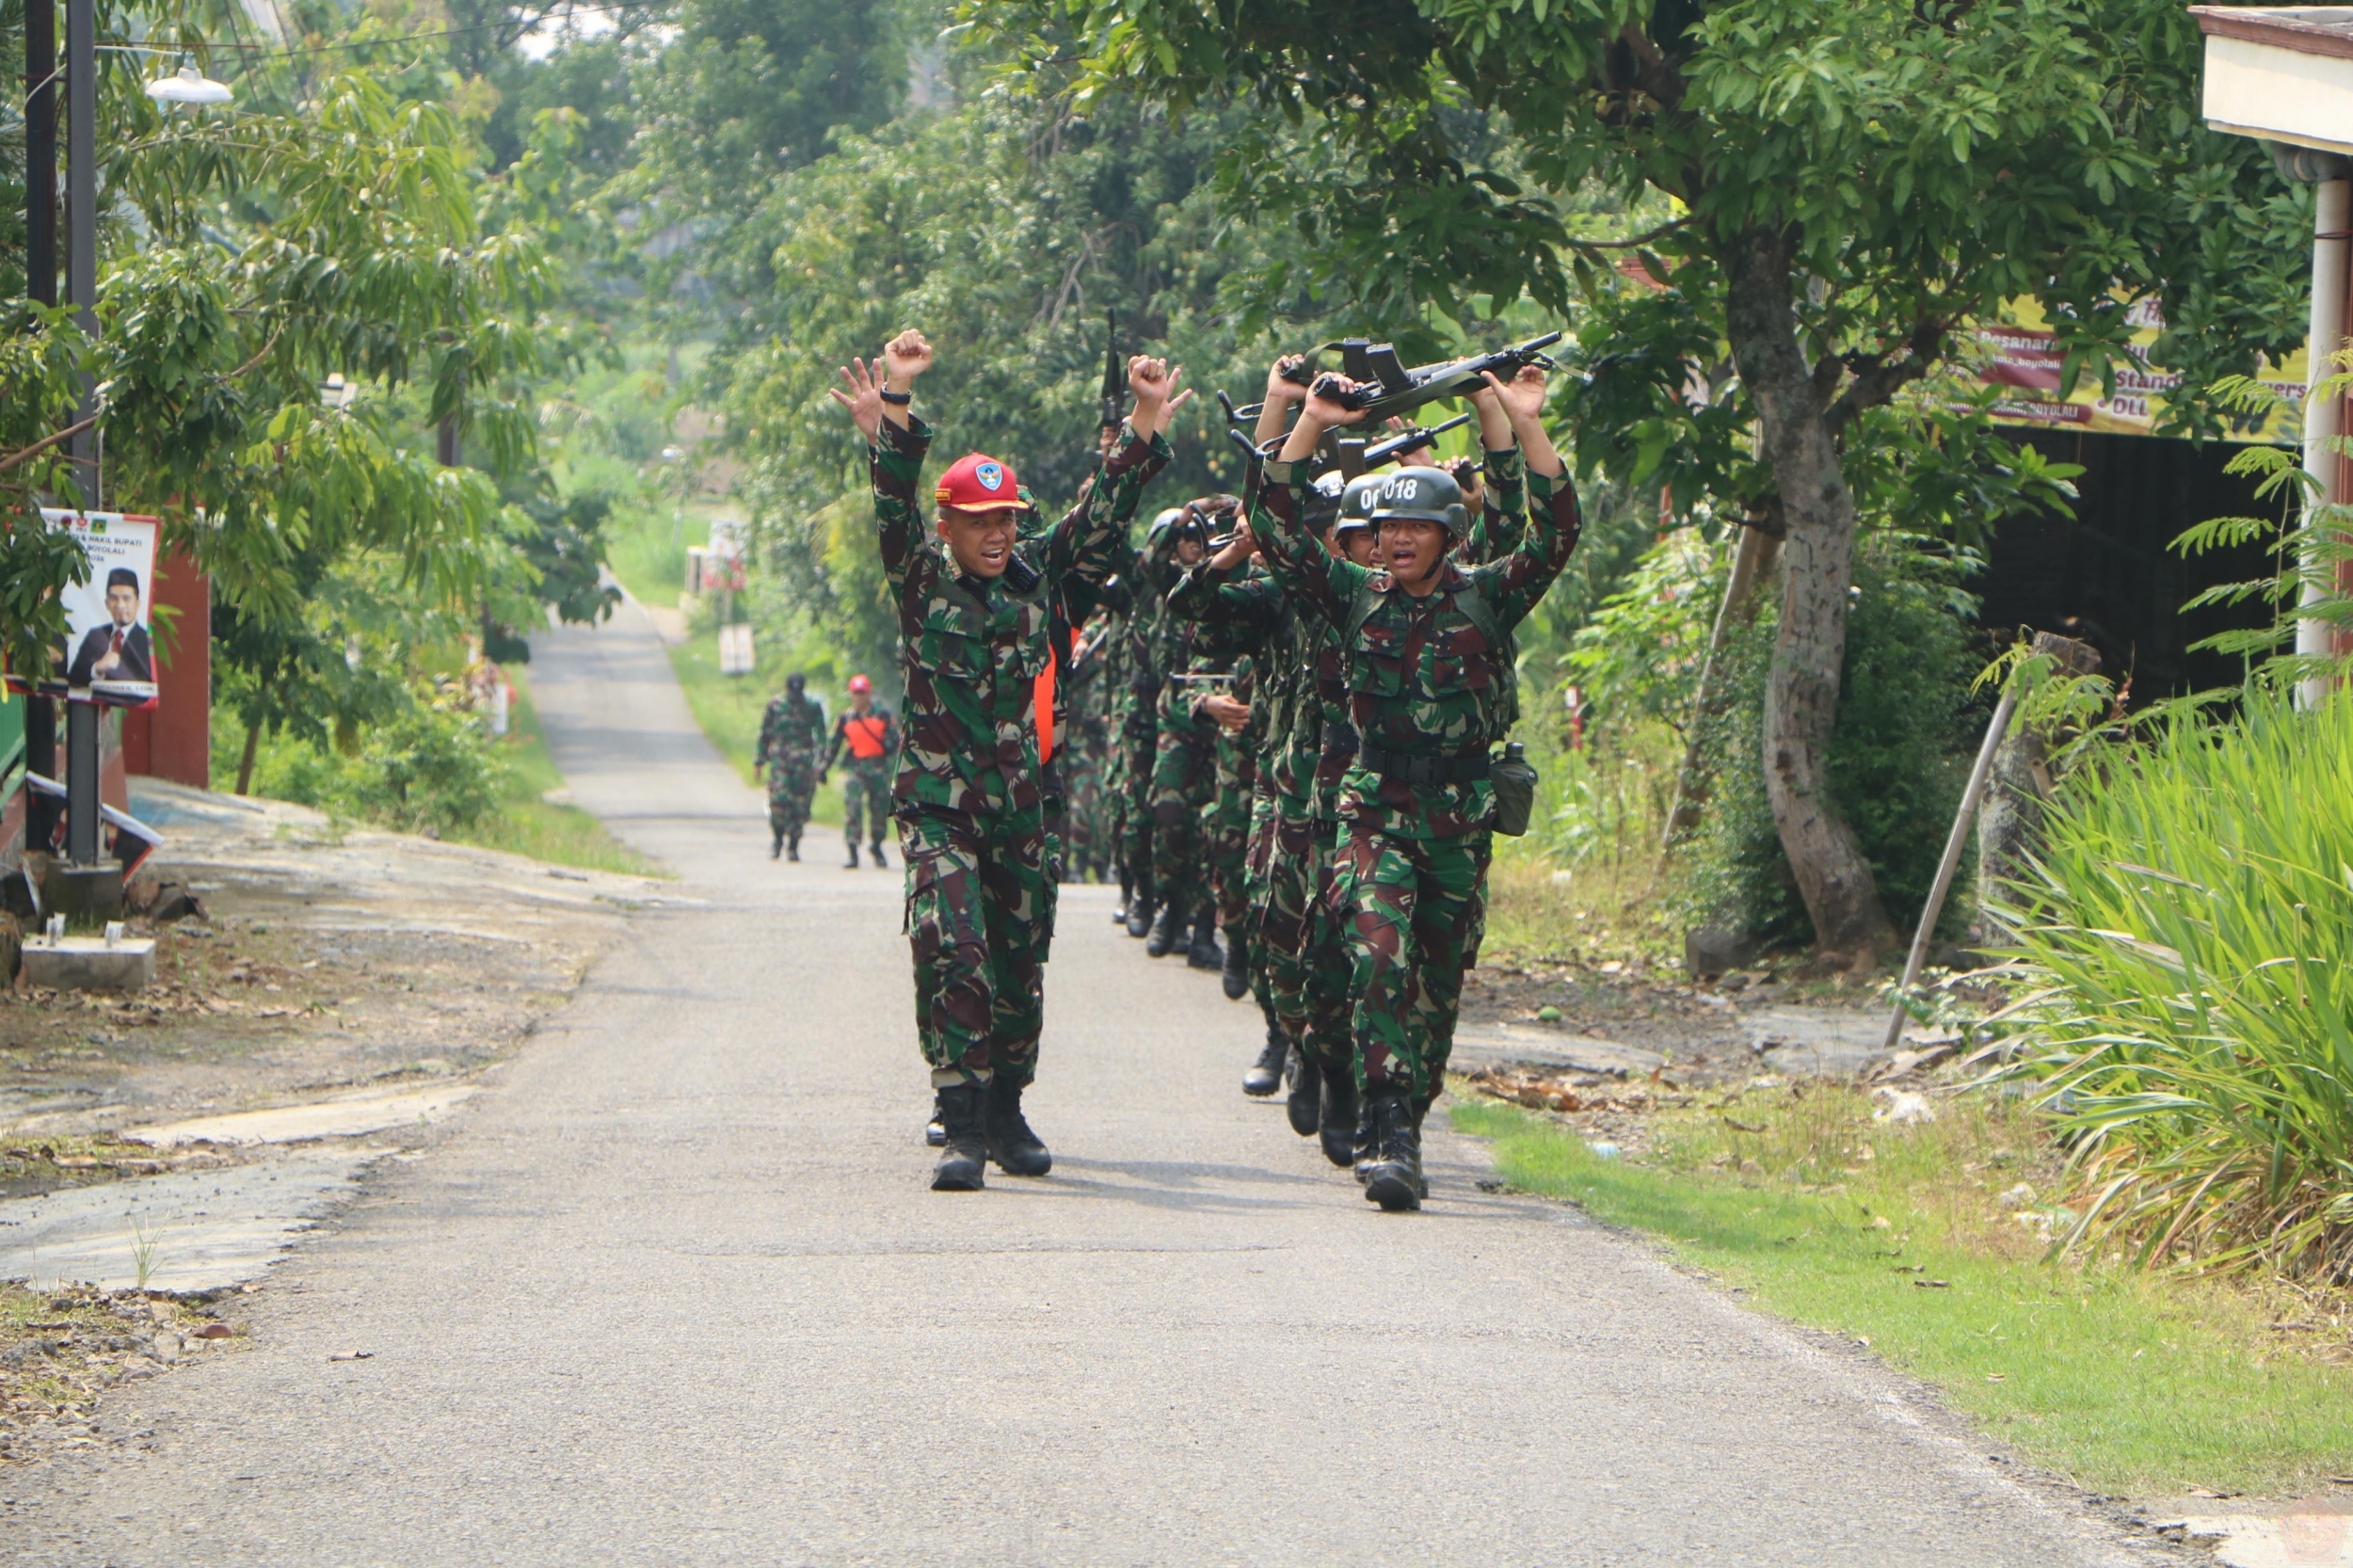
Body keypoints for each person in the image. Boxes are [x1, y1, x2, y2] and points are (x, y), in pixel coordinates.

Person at [831, 328, 1174, 1191]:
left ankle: (1009, 1106)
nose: (993, 535)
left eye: (1005, 521)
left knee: (1020, 960)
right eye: (977, 522)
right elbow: (891, 498)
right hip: (939, 805)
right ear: (947, 526)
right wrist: (898, 401)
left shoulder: (1041, 581)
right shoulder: (919, 579)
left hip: (1020, 806)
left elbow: (1103, 512)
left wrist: (1142, 416)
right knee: (952, 946)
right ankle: (960, 1116)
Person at [1252, 360, 1579, 1211]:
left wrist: (1522, 420)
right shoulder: (1354, 596)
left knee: (1439, 981)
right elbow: (1275, 526)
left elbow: (1554, 533)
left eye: (1414, 529)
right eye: (1384, 528)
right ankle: (1385, 1125)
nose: (1395, 541)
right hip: (1373, 807)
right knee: (1376, 951)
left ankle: (1410, 1107)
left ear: (1448, 535)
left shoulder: (1487, 599)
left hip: (1461, 817)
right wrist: (1311, 422)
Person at [825, 674, 901, 869]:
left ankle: (876, 845)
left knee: (879, 810)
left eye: (862, 693)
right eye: (856, 693)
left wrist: (888, 747)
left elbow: (897, 741)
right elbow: (834, 745)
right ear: (851, 694)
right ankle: (852, 851)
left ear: (869, 693)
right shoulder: (845, 718)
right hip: (856, 769)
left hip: (878, 770)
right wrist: (824, 767)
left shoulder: (882, 715)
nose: (859, 697)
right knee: (853, 807)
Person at [754, 673, 828, 860]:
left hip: (803, 762)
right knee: (778, 801)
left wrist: (821, 763)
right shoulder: (776, 705)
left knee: (800, 805)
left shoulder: (812, 706)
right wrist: (759, 761)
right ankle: (778, 838)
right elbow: (765, 733)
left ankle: (794, 846)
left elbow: (821, 736)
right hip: (780, 761)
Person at [69, 568, 153, 686]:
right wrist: (97, 668)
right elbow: (74, 678)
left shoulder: (146, 640)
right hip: (95, 703)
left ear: (137, 604)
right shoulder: (95, 635)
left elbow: (148, 682)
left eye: (126, 598)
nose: (120, 605)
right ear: (106, 604)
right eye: (114, 598)